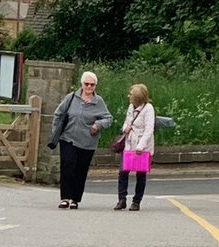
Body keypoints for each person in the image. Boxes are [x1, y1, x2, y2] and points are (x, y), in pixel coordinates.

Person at [48, 70, 113, 208]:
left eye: (92, 85)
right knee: (67, 164)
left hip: (87, 142)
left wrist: (98, 124)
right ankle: (65, 197)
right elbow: (58, 114)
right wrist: (56, 132)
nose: (89, 87)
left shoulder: (98, 101)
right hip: (68, 138)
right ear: (82, 84)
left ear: (95, 86)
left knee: (80, 170)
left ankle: (75, 199)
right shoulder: (71, 97)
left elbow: (108, 118)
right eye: (87, 84)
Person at [114, 83, 156, 211]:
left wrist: (141, 145)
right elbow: (127, 121)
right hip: (129, 143)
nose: (129, 96)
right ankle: (122, 199)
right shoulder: (130, 107)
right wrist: (124, 128)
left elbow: (149, 129)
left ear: (138, 97)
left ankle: (136, 201)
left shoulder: (148, 109)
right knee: (123, 171)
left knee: (141, 174)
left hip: (142, 147)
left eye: (131, 95)